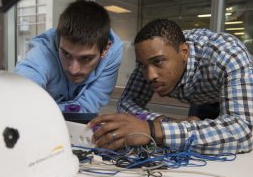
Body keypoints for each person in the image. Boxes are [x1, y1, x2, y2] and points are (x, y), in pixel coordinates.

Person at [88, 19, 253, 154]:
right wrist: (167, 122)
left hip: (242, 94)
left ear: (184, 52)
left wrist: (154, 130)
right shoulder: (149, 58)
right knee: (192, 147)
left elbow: (243, 131)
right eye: (142, 65)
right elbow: (126, 104)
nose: (150, 75)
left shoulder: (227, 55)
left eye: (158, 62)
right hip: (202, 99)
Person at [14, 0, 123, 113]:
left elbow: (88, 106)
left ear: (105, 49)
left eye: (86, 58)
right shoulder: (44, 49)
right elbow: (21, 91)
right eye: (66, 54)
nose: (73, 70)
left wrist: (41, 110)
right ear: (58, 39)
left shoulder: (113, 53)